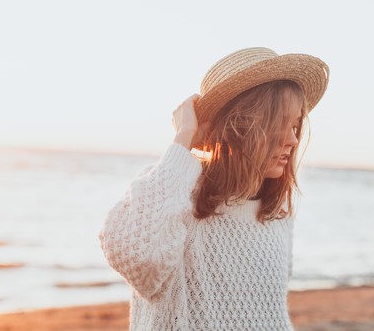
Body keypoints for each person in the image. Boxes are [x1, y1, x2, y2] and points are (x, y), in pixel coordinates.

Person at [99, 47, 329, 330]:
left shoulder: (276, 213)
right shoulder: (175, 189)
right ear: (239, 125)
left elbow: (271, 317)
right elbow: (138, 260)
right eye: (280, 124)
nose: (293, 140)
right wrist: (184, 138)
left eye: (296, 126)